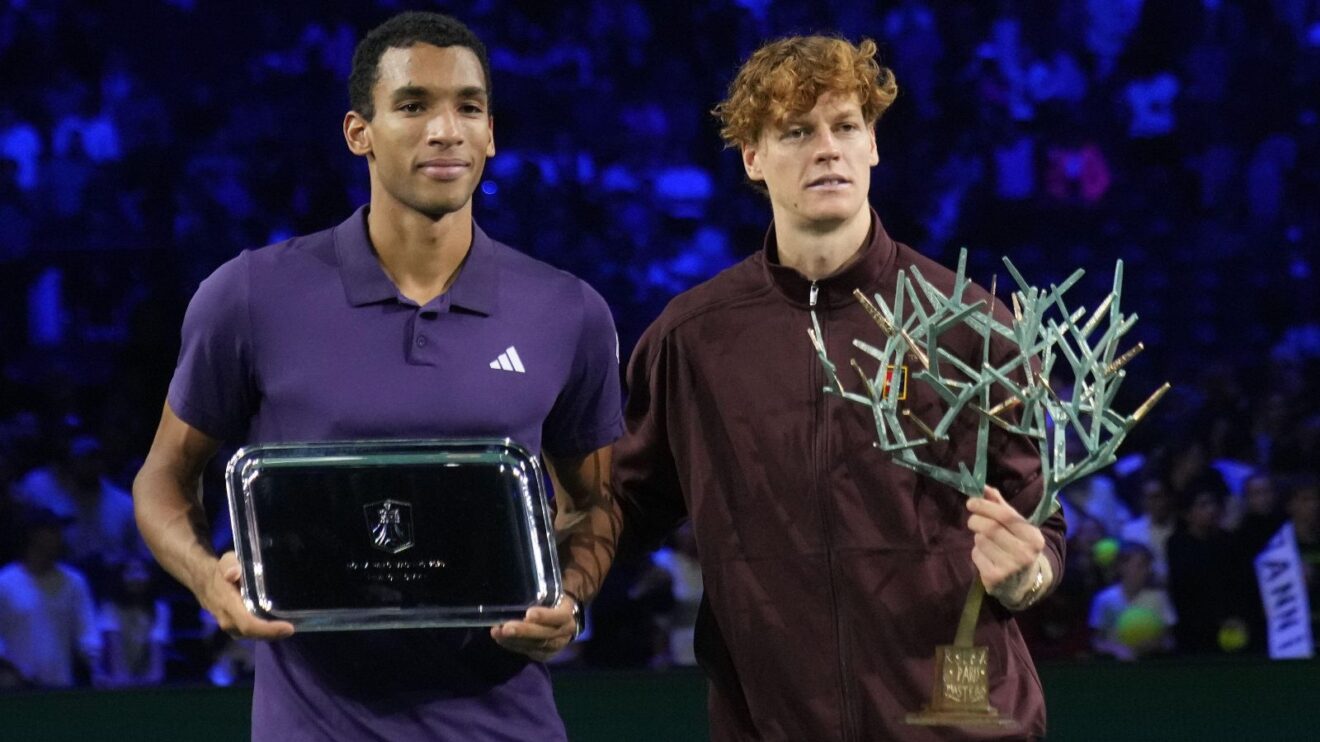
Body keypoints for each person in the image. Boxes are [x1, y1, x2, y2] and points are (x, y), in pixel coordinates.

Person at [133, 12, 622, 741]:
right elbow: (163, 478)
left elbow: (598, 504)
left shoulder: (566, 311)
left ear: (492, 133)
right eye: (414, 105)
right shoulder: (251, 295)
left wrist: (570, 601)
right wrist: (210, 581)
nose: (446, 130)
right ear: (359, 132)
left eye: (469, 106)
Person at [612, 35, 1066, 741]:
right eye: (797, 131)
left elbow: (1044, 531)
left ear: (873, 146)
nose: (828, 148)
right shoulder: (692, 339)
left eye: (846, 126)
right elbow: (617, 508)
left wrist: (1026, 576)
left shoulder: (972, 325)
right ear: (753, 159)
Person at [0, 507, 102, 688]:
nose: (60, 538)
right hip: (15, 691)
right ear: (33, 536)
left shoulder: (74, 581)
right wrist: (15, 671)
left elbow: (88, 634)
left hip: (61, 688)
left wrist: (98, 668)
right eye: (53, 531)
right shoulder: (5, 582)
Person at [1088, 542, 1176, 660]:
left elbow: (1170, 639)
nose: (1146, 571)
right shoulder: (1104, 599)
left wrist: (1158, 645)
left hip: (1151, 664)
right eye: (1140, 565)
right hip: (1116, 667)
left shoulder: (1159, 597)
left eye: (1147, 565)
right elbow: (1096, 641)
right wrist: (1115, 649)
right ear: (1121, 567)